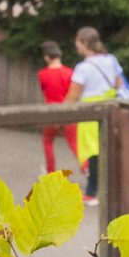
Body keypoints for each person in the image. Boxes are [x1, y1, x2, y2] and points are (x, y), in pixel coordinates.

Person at [65, 26, 127, 205]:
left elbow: (73, 94)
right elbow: (119, 83)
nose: (76, 45)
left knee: (92, 152)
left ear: (84, 43)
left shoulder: (83, 68)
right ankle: (112, 191)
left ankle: (92, 192)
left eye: (77, 41)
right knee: (109, 149)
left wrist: (62, 111)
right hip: (111, 107)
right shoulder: (111, 60)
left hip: (90, 111)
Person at [36, 39, 79, 175]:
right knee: (75, 144)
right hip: (68, 112)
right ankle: (86, 169)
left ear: (47, 57)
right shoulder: (70, 73)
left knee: (48, 142)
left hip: (51, 112)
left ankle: (50, 172)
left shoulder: (42, 74)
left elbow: (44, 91)